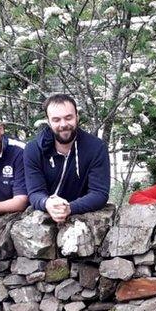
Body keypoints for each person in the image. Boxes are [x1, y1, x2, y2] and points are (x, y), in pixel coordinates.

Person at [24, 94, 111, 224]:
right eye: (56, 120)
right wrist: (46, 203)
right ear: (48, 122)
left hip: (83, 217)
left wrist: (69, 208)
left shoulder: (96, 148)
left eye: (68, 118)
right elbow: (35, 191)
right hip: (43, 217)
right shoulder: (33, 149)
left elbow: (99, 193)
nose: (63, 124)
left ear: (77, 117)